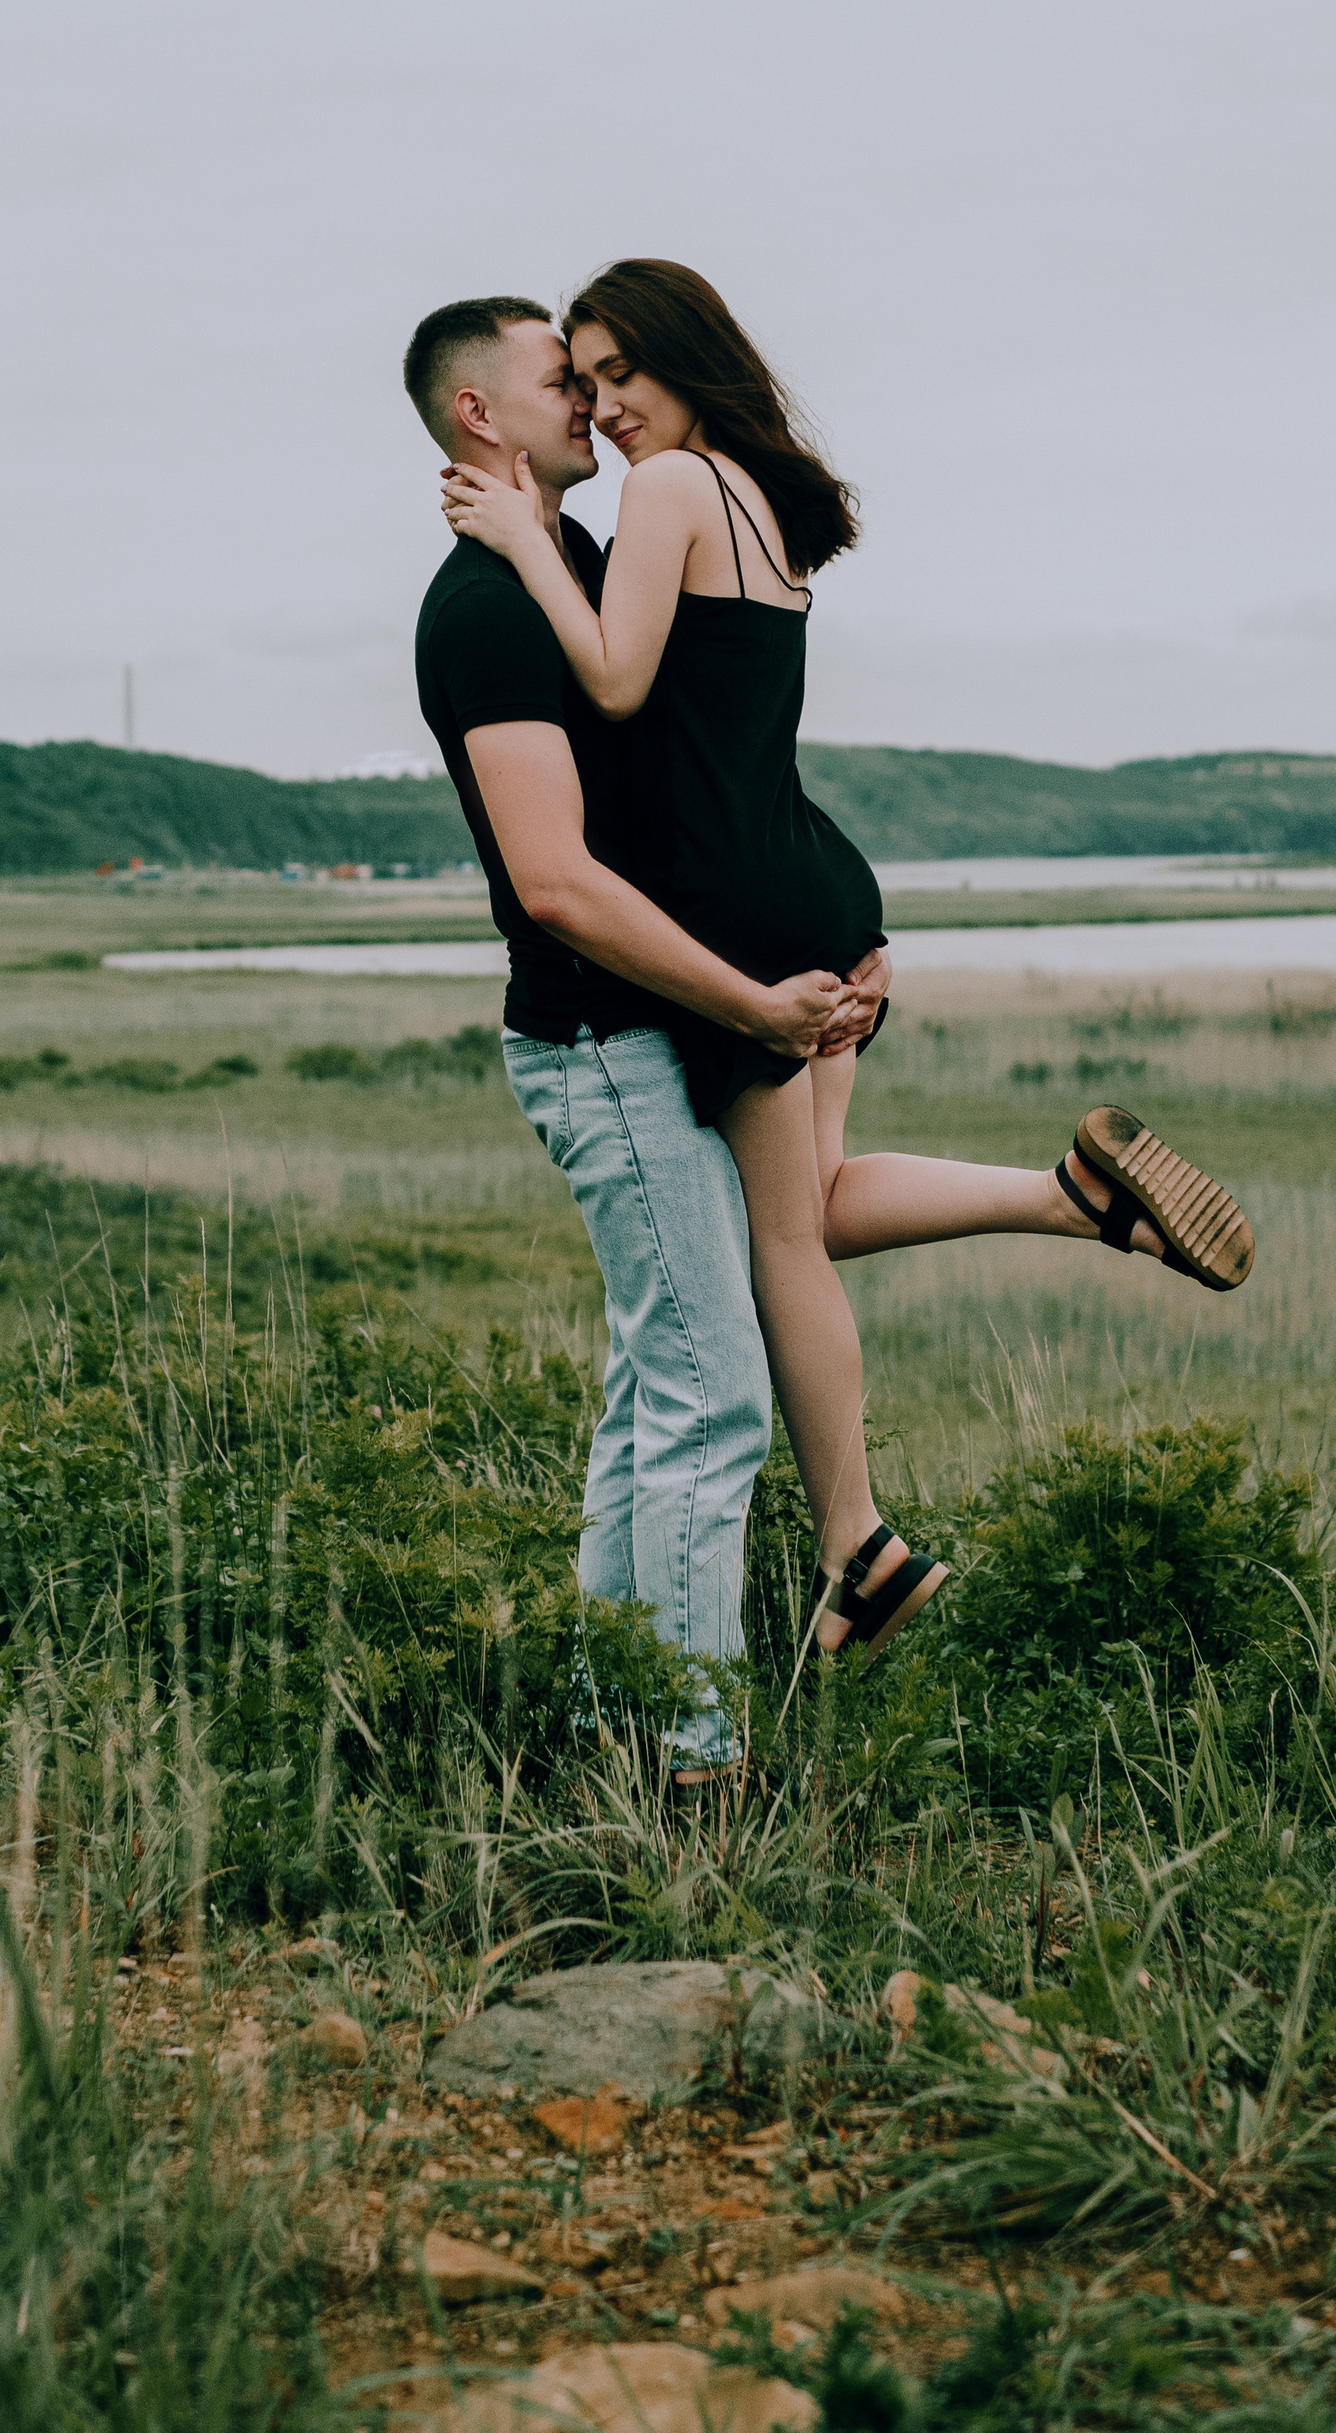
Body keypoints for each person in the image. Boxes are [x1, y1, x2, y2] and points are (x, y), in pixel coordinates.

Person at [441, 256, 1256, 1662]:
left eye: (622, 372)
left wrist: (522, 543)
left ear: (690, 362)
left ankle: (856, 1542)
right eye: (586, 378)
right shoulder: (770, 502)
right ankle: (1069, 1196)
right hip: (814, 872)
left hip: (743, 915)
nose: (608, 404)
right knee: (810, 1204)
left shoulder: (671, 490)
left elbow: (623, 682)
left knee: (779, 1241)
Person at [405, 294, 879, 1788]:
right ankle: (690, 1758)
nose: (597, 407)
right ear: (481, 415)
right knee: (707, 1390)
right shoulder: (483, 608)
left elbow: (704, 766)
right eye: (566, 381)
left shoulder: (578, 563)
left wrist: (811, 915)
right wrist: (752, 1003)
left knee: (653, 1387)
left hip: (661, 1034)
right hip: (606, 1044)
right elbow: (557, 883)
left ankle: (613, 1721)